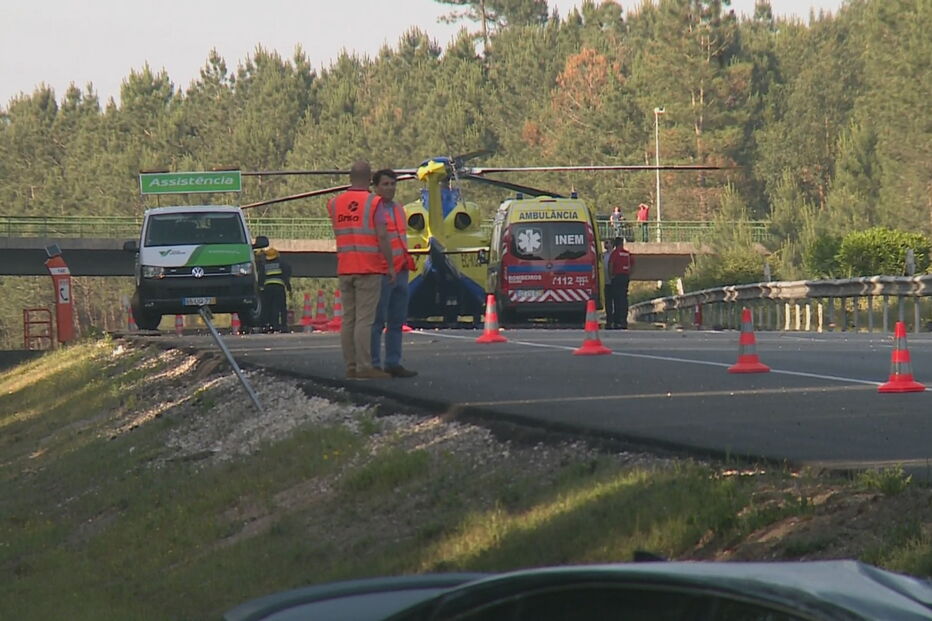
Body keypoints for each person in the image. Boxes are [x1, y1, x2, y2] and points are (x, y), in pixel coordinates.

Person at [327, 160, 394, 380]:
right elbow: (383, 235)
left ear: (349, 177)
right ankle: (365, 366)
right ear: (369, 179)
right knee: (365, 320)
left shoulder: (335, 203)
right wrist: (391, 265)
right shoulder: (374, 203)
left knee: (349, 319)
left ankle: (351, 365)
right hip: (368, 267)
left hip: (345, 267)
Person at [370, 169, 418, 378]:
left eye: (392, 184)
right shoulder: (371, 209)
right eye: (385, 184)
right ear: (375, 187)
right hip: (381, 271)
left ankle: (393, 362)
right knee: (377, 320)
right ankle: (373, 364)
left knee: (397, 320)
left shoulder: (399, 209)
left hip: (400, 270)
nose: (390, 188)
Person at [261, 247, 292, 332]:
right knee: (281, 307)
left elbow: (261, 277)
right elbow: (287, 274)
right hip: (279, 287)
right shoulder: (281, 263)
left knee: (269, 307)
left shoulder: (264, 265)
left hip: (268, 288)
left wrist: (261, 289)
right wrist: (288, 285)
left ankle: (271, 325)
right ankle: (283, 326)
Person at [608, 237, 633, 329]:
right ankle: (623, 319)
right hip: (625, 277)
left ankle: (617, 319)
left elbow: (611, 264)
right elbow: (632, 264)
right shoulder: (627, 253)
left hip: (617, 277)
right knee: (624, 298)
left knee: (617, 299)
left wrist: (611, 276)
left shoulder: (614, 253)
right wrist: (629, 274)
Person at [602, 239, 614, 328]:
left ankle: (614, 317)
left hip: (613, 281)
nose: (604, 244)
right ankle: (609, 317)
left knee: (615, 301)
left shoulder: (614, 255)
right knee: (608, 301)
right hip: (606, 282)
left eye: (607, 242)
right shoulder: (603, 256)